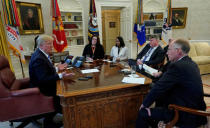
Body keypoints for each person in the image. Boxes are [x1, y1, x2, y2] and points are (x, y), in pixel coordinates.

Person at [136, 39, 207, 128]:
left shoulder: (177, 66)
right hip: (196, 111)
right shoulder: (191, 63)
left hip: (184, 113)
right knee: (159, 99)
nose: (167, 53)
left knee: (142, 113)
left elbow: (159, 87)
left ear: (178, 51)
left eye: (169, 49)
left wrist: (144, 104)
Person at [29, 35, 74, 128]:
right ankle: (53, 121)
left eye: (51, 43)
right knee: (64, 92)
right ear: (41, 45)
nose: (52, 46)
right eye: (49, 44)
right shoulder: (39, 58)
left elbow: (45, 70)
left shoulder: (40, 54)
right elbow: (43, 79)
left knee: (64, 86)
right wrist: (61, 75)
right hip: (43, 89)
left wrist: (57, 68)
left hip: (43, 85)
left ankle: (56, 115)